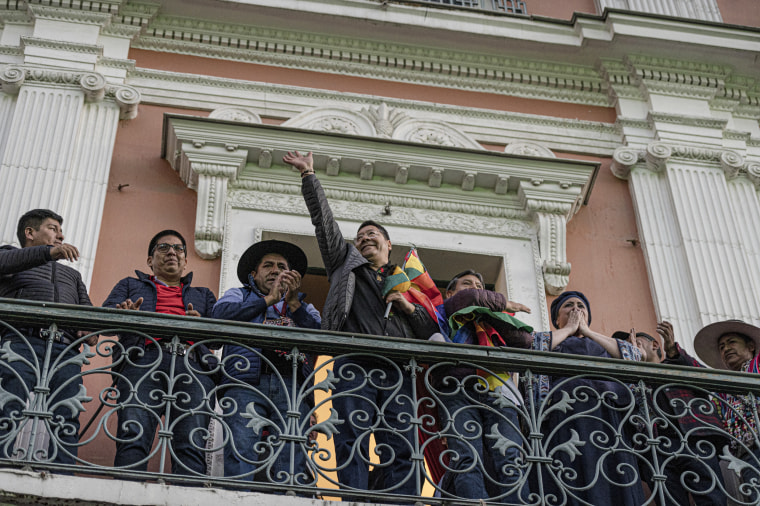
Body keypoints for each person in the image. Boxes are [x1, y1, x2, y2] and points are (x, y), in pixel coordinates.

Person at [284, 150, 440, 497]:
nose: (366, 237)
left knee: (401, 445)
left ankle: (402, 502)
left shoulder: (408, 284)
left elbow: (432, 333)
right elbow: (324, 223)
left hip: (398, 371)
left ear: (388, 244)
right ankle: (353, 500)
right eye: (361, 235)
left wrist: (407, 306)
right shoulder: (345, 265)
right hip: (353, 365)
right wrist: (309, 176)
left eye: (373, 234)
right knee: (352, 437)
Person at [102, 230, 217, 476]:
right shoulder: (130, 284)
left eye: (178, 249)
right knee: (134, 434)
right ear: (149, 260)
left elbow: (218, 339)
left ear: (186, 261)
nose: (172, 252)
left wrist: (203, 325)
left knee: (192, 441)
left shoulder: (204, 295)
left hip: (193, 364)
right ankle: (126, 495)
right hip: (144, 359)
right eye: (163, 247)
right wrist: (125, 312)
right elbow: (106, 316)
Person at [212, 239, 320, 485]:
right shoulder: (238, 295)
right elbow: (219, 317)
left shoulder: (306, 307)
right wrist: (266, 301)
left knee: (289, 459)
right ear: (254, 274)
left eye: (282, 266)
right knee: (241, 450)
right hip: (246, 382)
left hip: (292, 387)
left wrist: (294, 304)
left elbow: (321, 336)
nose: (275, 270)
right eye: (268, 265)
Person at [0, 209, 96, 465]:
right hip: (21, 341)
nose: (60, 236)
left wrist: (92, 328)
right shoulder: (7, 255)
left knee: (68, 412)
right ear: (30, 233)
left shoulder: (73, 275)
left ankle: (62, 473)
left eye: (60, 231)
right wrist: (48, 253)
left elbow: (86, 313)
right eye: (53, 229)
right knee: (8, 403)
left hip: (65, 350)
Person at [530, 290, 644, 506]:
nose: (576, 309)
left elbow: (631, 356)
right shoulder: (552, 340)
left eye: (581, 306)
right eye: (569, 305)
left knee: (613, 469)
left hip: (607, 418)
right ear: (556, 318)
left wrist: (587, 331)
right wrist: (568, 329)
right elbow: (534, 347)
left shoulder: (602, 345)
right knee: (572, 470)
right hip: (565, 416)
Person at [433, 269, 532, 502]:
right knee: (467, 458)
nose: (475, 288)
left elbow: (525, 341)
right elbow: (468, 299)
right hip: (458, 388)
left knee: (510, 458)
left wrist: (489, 313)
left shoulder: (491, 319)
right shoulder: (443, 310)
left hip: (497, 390)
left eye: (480, 285)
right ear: (449, 292)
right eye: (467, 283)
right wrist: (501, 303)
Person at [615, 322, 727, 506]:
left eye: (635, 341)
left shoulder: (676, 364)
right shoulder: (628, 383)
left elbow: (708, 381)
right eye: (626, 345)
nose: (631, 345)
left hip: (693, 440)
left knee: (713, 500)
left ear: (655, 345)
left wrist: (674, 351)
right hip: (654, 451)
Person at [694, 320, 760, 502]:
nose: (726, 349)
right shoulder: (722, 389)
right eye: (722, 347)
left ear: (751, 346)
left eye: (732, 342)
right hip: (744, 453)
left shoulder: (758, 364)